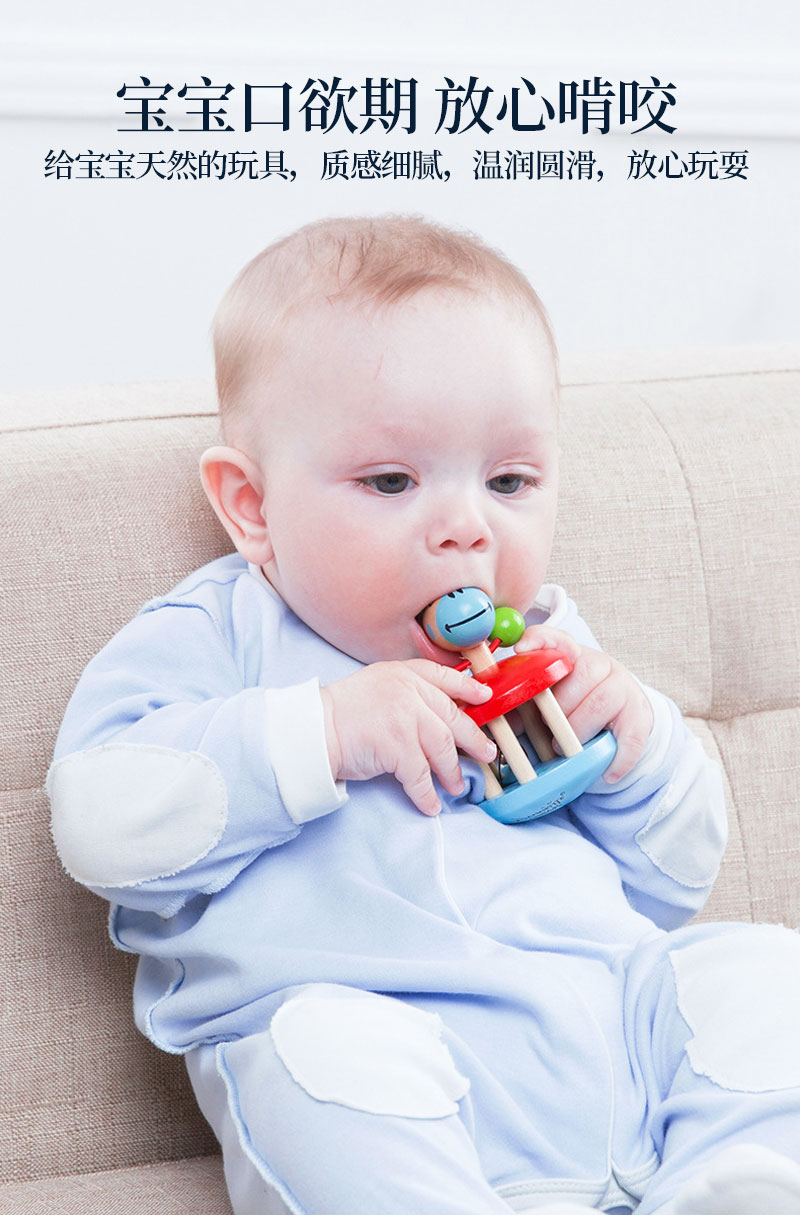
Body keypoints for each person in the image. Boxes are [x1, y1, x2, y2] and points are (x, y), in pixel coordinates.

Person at [48, 216, 800, 1215]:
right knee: (313, 1051)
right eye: (392, 481)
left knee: (761, 968)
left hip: (621, 1044)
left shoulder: (546, 642)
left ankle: (731, 1183)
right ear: (253, 507)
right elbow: (101, 825)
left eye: (509, 481)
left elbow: (674, 882)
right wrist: (326, 732)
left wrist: (640, 746)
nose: (465, 526)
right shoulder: (219, 632)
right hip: (404, 1077)